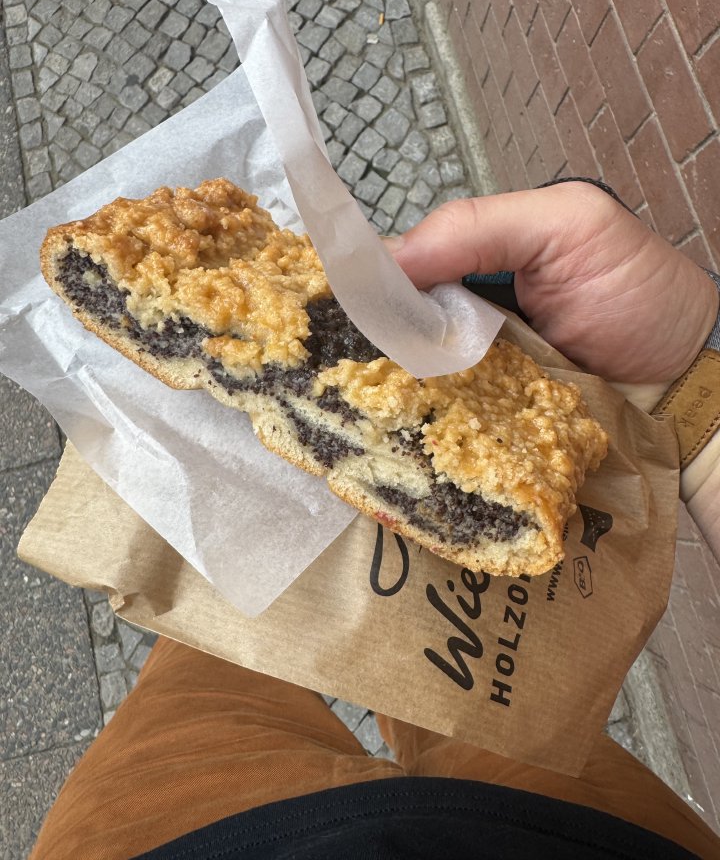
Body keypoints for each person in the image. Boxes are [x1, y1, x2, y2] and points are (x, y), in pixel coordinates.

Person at [30, 181, 720, 859]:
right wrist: (686, 375)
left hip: (178, 836)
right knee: (460, 717)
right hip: (588, 830)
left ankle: (235, 586)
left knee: (199, 676)